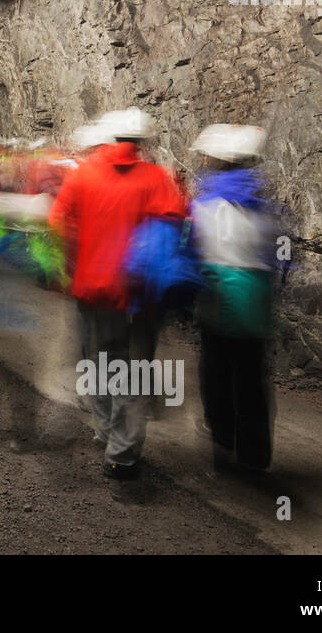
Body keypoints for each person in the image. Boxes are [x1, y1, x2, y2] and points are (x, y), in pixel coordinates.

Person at [49, 107, 185, 479]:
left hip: (93, 288)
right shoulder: (156, 178)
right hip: (138, 292)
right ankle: (121, 455)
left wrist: (73, 264)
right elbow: (174, 225)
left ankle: (104, 429)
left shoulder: (84, 175)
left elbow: (58, 222)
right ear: (141, 142)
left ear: (109, 138)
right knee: (132, 369)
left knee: (99, 361)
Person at [189, 124, 277, 472]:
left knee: (216, 373)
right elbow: (278, 256)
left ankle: (223, 440)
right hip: (256, 303)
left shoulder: (204, 205)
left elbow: (192, 250)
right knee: (252, 379)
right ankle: (255, 457)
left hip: (219, 298)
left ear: (216, 162)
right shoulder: (264, 206)